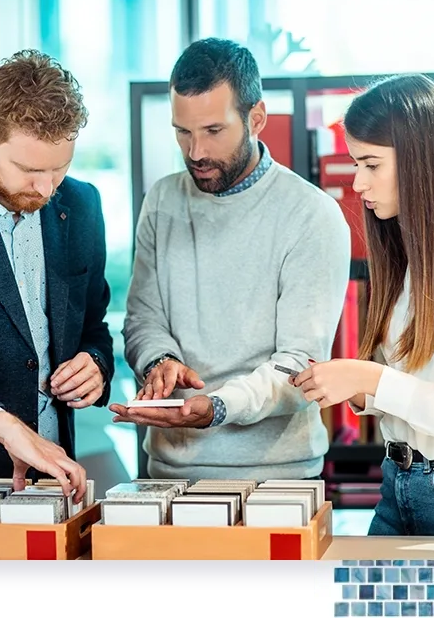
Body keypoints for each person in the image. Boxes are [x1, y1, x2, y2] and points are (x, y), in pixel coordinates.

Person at [110, 37, 351, 482]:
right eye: (182, 132)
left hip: (277, 478)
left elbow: (300, 364)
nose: (196, 152)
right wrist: (159, 362)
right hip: (167, 472)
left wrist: (218, 408)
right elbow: (142, 317)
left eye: (213, 131)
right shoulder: (162, 199)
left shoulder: (311, 215)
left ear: (256, 118)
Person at [290, 73, 434, 536]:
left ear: (420, 159)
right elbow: (422, 377)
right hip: (398, 485)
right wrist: (359, 390)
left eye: (371, 164)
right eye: (354, 164)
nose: (358, 183)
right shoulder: (410, 252)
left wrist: (375, 380)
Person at [0, 49, 115, 498]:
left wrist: (94, 365)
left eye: (60, 168)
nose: (46, 188)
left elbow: (94, 326)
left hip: (57, 482)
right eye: (30, 169)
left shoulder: (82, 205)